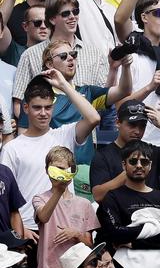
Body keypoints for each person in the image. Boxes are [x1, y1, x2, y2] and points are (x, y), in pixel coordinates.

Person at [1, 75, 99, 231]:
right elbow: (4, 195)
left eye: (47, 107)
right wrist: (20, 228)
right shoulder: (12, 148)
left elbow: (93, 118)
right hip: (28, 227)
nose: (43, 113)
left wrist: (64, 85)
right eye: (37, 107)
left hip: (64, 227)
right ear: (26, 108)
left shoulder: (64, 135)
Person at [96, 141, 160, 268]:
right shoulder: (112, 197)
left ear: (150, 165)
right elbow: (115, 233)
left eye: (144, 161)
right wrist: (151, 229)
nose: (139, 165)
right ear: (124, 165)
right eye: (133, 161)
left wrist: (133, 243)